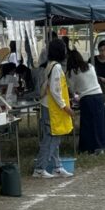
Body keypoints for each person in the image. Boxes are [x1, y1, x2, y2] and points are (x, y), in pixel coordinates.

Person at [32, 39, 74, 178]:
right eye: (64, 49)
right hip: (52, 108)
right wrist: (65, 107)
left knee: (54, 137)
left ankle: (57, 166)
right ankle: (39, 168)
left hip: (49, 106)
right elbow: (56, 91)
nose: (66, 51)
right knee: (51, 139)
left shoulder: (50, 65)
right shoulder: (56, 67)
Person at [67, 50, 105, 154]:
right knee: (99, 123)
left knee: (87, 124)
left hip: (87, 98)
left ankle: (88, 148)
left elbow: (72, 90)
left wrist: (75, 94)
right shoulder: (90, 66)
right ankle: (101, 146)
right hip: (99, 96)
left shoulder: (72, 72)